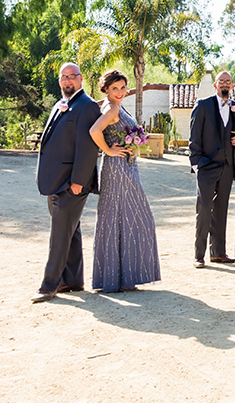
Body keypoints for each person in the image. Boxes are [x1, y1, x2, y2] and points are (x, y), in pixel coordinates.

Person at [31, 63, 101, 303]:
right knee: (70, 231)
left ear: (81, 79)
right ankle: (72, 280)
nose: (67, 81)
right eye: (64, 77)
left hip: (72, 183)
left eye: (72, 77)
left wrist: (79, 181)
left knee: (59, 235)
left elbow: (88, 148)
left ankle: (48, 285)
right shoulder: (61, 104)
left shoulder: (88, 106)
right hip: (55, 181)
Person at [88, 69, 162, 292]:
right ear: (106, 89)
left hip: (123, 167)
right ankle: (121, 276)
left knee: (121, 216)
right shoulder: (110, 108)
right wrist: (108, 151)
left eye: (122, 87)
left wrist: (133, 145)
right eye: (114, 89)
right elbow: (94, 131)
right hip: (118, 169)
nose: (119, 92)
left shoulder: (116, 106)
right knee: (133, 216)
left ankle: (120, 277)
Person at [189, 71, 235, 268]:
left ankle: (218, 253)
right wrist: (197, 163)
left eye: (228, 82)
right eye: (221, 81)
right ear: (215, 85)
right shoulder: (203, 105)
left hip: (227, 167)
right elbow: (194, 135)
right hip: (206, 166)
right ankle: (199, 255)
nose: (225, 84)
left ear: (232, 85)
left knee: (221, 211)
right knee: (204, 209)